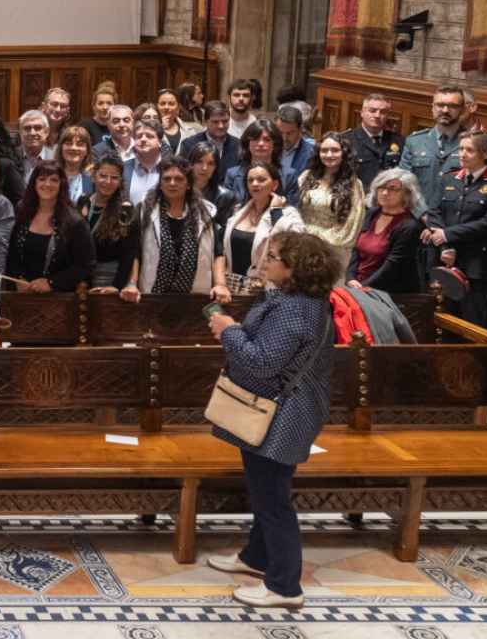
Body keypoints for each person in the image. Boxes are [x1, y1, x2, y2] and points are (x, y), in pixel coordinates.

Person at [205, 231, 338, 609]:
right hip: (283, 410)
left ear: (294, 269)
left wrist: (228, 331)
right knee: (265, 491)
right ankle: (256, 559)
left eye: (274, 256)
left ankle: (284, 586)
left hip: (284, 415)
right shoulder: (298, 302)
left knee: (274, 500)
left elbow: (262, 363)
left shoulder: (296, 310)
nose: (265, 262)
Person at [423, 131, 487, 332]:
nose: (462, 154)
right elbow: (434, 212)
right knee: (440, 317)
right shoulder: (448, 178)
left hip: (476, 262)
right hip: (443, 257)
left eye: (469, 150)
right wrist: (445, 245)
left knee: (472, 321)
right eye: (461, 149)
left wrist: (447, 235)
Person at [122, 159, 230, 303]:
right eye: (167, 179)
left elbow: (218, 252)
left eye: (179, 179)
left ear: (188, 184)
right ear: (160, 184)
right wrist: (131, 283)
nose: (172, 183)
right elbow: (135, 251)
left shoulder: (205, 212)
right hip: (152, 294)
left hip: (195, 296)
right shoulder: (144, 210)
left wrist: (220, 284)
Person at [4, 161, 96, 293]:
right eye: (42, 179)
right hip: (22, 295)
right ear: (34, 183)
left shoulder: (75, 222)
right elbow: (12, 253)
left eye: (54, 180)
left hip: (59, 300)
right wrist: (19, 279)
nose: (47, 184)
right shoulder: (22, 210)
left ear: (61, 185)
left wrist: (52, 283)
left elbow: (86, 265)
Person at [222, 163, 308, 293]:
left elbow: (295, 244)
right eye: (250, 180)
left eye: (261, 180)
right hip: (233, 287)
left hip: (268, 288)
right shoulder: (238, 211)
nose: (255, 184)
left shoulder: (288, 213)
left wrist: (276, 211)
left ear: (275, 185)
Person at [295, 133, 366, 271]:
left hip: (332, 250)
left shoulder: (354, 184)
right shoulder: (306, 177)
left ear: (343, 153)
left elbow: (353, 222)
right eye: (324, 150)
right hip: (302, 244)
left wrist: (320, 243)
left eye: (335, 150)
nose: (329, 154)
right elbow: (295, 209)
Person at [348, 168, 426, 293]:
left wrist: (361, 287)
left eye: (393, 189)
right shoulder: (372, 214)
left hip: (387, 292)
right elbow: (356, 250)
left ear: (407, 193)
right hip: (358, 286)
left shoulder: (410, 226)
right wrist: (350, 278)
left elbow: (392, 267)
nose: (384, 192)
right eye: (381, 187)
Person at [400, 84, 468, 213]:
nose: (445, 110)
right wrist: (422, 214)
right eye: (440, 105)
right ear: (432, 107)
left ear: (463, 110)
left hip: (455, 219)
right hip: (417, 216)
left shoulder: (473, 144)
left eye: (452, 106)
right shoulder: (415, 141)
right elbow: (405, 184)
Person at [79, 157, 138, 292]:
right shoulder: (83, 201)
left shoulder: (126, 209)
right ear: (93, 177)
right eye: (103, 176)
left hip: (110, 278)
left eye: (114, 177)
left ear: (120, 181)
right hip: (81, 277)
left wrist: (116, 286)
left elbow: (129, 253)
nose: (108, 182)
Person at [224, 121, 296, 197]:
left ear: (275, 144)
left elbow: (292, 206)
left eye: (267, 140)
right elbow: (228, 206)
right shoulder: (232, 174)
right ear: (247, 143)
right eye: (255, 139)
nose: (261, 144)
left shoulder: (289, 175)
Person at [180, 100, 243, 171]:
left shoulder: (238, 145)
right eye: (215, 122)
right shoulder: (189, 145)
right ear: (205, 122)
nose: (221, 126)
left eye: (225, 121)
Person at [189, 141, 239, 224]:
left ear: (216, 167)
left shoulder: (225, 196)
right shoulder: (180, 190)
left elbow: (223, 230)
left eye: (210, 164)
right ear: (191, 164)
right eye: (199, 162)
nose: (204, 168)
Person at [124, 121, 167, 205]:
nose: (143, 139)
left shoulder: (171, 167)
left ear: (160, 142)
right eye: (139, 136)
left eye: (149, 136)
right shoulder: (123, 168)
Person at [274, 105, 316, 188]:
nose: (284, 138)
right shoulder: (268, 147)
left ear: (300, 130)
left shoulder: (312, 153)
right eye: (280, 132)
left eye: (289, 133)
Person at [55, 124, 95, 203]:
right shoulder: (52, 174)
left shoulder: (93, 178)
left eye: (80, 144)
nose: (73, 148)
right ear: (61, 148)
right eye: (68, 143)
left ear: (87, 150)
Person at [155, 88, 200, 154]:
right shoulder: (150, 129)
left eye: (171, 104)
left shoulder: (192, 130)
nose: (166, 107)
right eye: (162, 103)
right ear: (157, 107)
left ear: (178, 108)